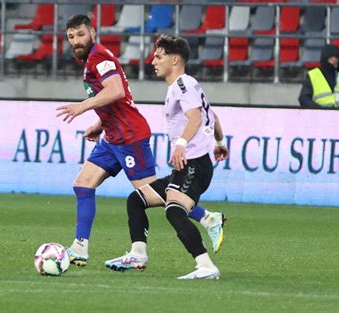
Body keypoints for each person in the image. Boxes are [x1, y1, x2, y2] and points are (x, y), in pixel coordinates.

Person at [57, 15, 226, 267]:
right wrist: (100, 123)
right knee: (83, 185)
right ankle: (80, 246)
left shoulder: (99, 57)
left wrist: (82, 107)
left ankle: (207, 219)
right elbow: (117, 101)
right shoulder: (91, 60)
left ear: (92, 32)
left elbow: (116, 91)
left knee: (154, 196)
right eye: (71, 37)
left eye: (80, 34)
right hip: (113, 136)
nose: (76, 41)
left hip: (129, 137)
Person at [104, 35, 229, 279]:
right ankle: (138, 253)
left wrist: (181, 144)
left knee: (174, 211)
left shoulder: (182, 85)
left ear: (174, 59)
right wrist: (220, 142)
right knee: (135, 200)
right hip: (189, 164)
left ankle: (206, 266)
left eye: (159, 56)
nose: (153, 61)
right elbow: (211, 115)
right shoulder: (185, 85)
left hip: (193, 164)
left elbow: (195, 117)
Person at [298, 44, 339, 109]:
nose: (335, 60)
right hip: (320, 116)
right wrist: (319, 110)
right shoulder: (313, 75)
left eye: (337, 57)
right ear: (325, 58)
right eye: (331, 57)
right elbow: (304, 98)